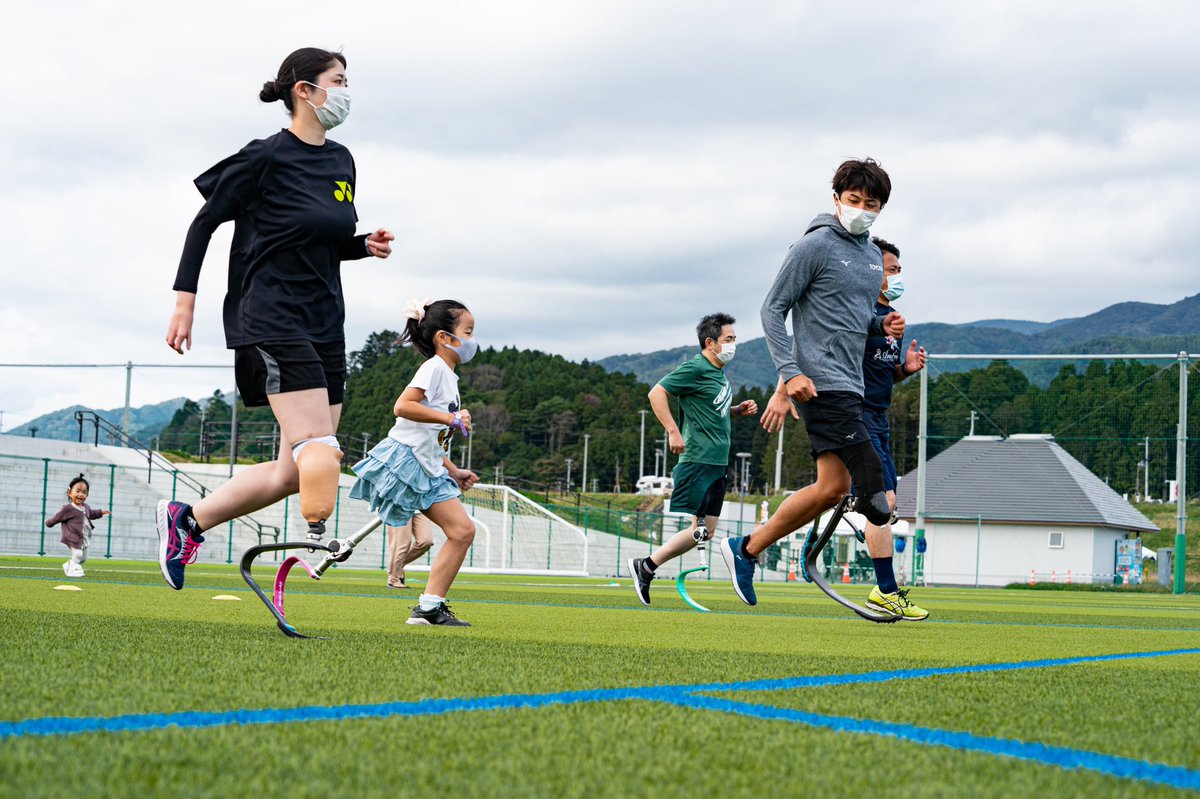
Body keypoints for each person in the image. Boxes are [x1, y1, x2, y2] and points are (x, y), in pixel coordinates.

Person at [156, 47, 395, 590]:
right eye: (338, 80)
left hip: (325, 321)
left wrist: (362, 246)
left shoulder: (343, 160)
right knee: (319, 451)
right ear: (304, 91)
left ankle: (187, 521)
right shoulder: (265, 157)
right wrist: (183, 301)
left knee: (293, 471)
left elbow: (317, 240)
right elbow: (204, 223)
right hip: (270, 314)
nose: (346, 91)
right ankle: (318, 536)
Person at [719, 158, 911, 616]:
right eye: (853, 200)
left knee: (830, 489)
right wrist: (789, 373)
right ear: (836, 199)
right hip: (819, 384)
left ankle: (744, 550)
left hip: (854, 383)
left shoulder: (869, 258)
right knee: (878, 496)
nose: (861, 210)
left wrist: (880, 323)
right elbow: (772, 309)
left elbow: (851, 318)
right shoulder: (815, 245)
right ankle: (869, 576)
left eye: (872, 204)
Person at [350, 299, 480, 626]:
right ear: (443, 338)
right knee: (461, 531)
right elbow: (403, 407)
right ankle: (428, 607)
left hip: (429, 466)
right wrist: (450, 418)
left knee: (462, 531)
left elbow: (431, 436)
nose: (472, 340)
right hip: (407, 462)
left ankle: (429, 607)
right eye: (468, 331)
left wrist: (455, 470)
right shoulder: (434, 367)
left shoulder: (449, 376)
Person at [629, 313, 758, 605]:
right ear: (710, 342)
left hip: (717, 462)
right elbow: (656, 393)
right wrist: (673, 432)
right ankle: (646, 567)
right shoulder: (695, 368)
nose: (733, 345)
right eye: (729, 339)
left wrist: (736, 410)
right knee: (698, 528)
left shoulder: (718, 372)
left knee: (706, 531)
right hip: (697, 459)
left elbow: (709, 409)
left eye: (735, 339)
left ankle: (646, 566)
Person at [853, 237, 928, 619]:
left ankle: (840, 520)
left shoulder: (894, 317)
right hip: (857, 413)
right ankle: (885, 590)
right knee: (885, 503)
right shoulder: (858, 312)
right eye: (890, 269)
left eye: (899, 270)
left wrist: (906, 369)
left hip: (880, 417)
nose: (896, 276)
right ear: (871, 271)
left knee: (882, 504)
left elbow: (886, 371)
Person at [45, 474, 110, 578]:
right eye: (78, 491)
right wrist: (48, 522)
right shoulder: (68, 508)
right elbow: (57, 517)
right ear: (69, 493)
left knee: (83, 558)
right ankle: (73, 571)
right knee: (78, 554)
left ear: (87, 495)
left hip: (83, 537)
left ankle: (68, 565)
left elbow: (92, 514)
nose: (80, 494)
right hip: (72, 537)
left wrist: (101, 512)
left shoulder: (86, 507)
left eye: (84, 492)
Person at [386, 513, 434, 589]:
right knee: (402, 544)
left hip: (420, 508)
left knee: (426, 541)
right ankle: (393, 579)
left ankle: (398, 566)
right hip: (400, 507)